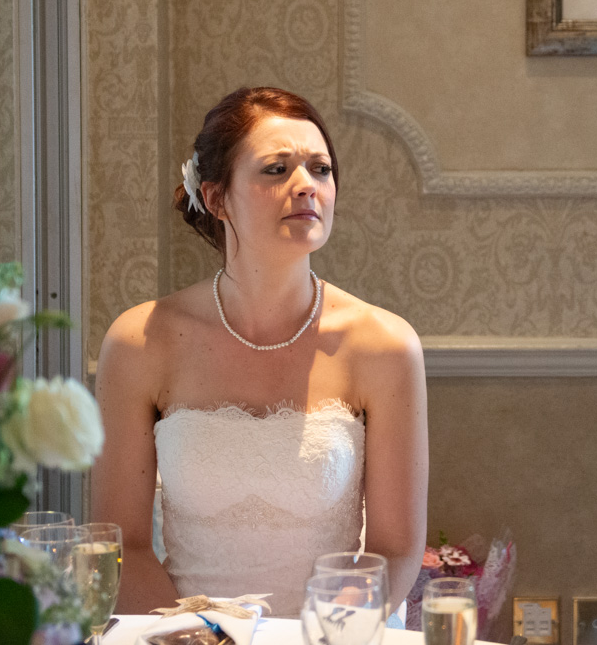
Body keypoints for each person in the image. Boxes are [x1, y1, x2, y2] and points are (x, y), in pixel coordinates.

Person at [93, 87, 428, 617]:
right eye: (277, 169)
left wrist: (326, 633)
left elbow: (395, 549)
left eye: (321, 169)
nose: (306, 186)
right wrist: (203, 638)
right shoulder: (140, 341)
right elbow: (124, 546)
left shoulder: (384, 345)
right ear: (216, 198)